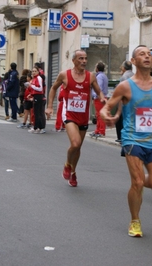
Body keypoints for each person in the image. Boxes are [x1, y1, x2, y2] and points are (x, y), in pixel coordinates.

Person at [100, 45, 152, 237]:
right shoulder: (126, 86)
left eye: (150, 54)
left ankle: (146, 184)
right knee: (138, 182)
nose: (148, 57)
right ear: (133, 61)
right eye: (143, 54)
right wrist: (107, 116)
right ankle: (135, 220)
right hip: (132, 139)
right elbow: (106, 107)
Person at [45, 50, 106, 187]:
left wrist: (102, 98)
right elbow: (53, 88)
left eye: (85, 58)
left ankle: (73, 172)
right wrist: (49, 106)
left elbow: (98, 91)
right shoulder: (64, 75)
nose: (84, 61)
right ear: (74, 60)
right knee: (75, 143)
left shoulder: (90, 76)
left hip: (83, 116)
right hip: (69, 114)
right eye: (80, 58)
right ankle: (67, 164)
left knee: (78, 148)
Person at [115, 60, 134, 143]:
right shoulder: (134, 75)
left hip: (125, 102)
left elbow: (120, 91)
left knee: (122, 120)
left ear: (124, 67)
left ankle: (122, 137)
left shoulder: (124, 77)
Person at [89, 61, 108, 137]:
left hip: (99, 97)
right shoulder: (104, 76)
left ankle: (101, 131)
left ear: (97, 68)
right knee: (99, 114)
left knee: (100, 115)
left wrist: (95, 96)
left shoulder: (99, 77)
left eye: (95, 67)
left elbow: (98, 88)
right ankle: (98, 130)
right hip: (103, 97)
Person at [28, 66, 46, 133]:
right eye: (33, 71)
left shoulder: (38, 78)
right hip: (35, 96)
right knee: (35, 112)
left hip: (39, 96)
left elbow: (40, 88)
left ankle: (39, 127)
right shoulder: (34, 78)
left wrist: (31, 86)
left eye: (35, 71)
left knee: (38, 112)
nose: (34, 72)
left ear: (38, 72)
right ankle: (36, 127)